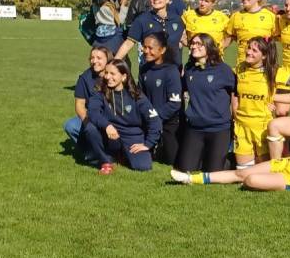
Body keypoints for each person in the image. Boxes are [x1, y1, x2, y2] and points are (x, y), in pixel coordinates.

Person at [171, 120, 290, 195]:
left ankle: (250, 182)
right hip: (289, 164)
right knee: (241, 173)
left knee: (251, 179)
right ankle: (190, 178)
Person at [84, 59, 162, 173]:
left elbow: (154, 120)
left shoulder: (136, 95)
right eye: (106, 73)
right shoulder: (99, 92)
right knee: (90, 128)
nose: (107, 77)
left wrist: (148, 143)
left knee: (143, 166)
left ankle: (122, 155)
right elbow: (92, 112)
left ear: (124, 76)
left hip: (131, 135)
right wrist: (107, 126)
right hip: (110, 133)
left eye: (112, 74)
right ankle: (106, 161)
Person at [175, 34, 237, 172]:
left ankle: (229, 159)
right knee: (185, 168)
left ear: (209, 47)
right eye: (192, 43)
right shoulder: (190, 68)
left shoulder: (224, 70)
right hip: (195, 128)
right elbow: (182, 88)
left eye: (199, 44)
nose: (193, 46)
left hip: (218, 128)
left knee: (214, 171)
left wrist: (235, 115)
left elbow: (236, 92)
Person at [233, 37, 279, 167]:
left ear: (264, 56)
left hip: (262, 127)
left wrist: (274, 99)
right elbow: (232, 90)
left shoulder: (273, 72)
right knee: (243, 173)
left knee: (262, 171)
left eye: (254, 50)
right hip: (241, 126)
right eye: (248, 48)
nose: (249, 52)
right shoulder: (239, 68)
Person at [139, 33, 183, 165]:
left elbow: (174, 104)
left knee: (171, 160)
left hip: (169, 122)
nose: (146, 51)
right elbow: (140, 96)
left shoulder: (171, 71)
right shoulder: (144, 69)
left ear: (162, 50)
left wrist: (155, 115)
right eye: (144, 47)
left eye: (150, 48)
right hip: (148, 121)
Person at [116, 0, 185, 65]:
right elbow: (128, 43)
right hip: (150, 70)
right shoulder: (142, 19)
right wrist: (114, 61)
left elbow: (185, 40)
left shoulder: (177, 20)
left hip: (173, 69)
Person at [64, 45, 113, 147]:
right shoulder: (84, 78)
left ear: (107, 59)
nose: (94, 61)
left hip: (113, 116)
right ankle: (90, 151)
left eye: (99, 58)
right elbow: (79, 105)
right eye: (92, 58)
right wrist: (87, 123)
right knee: (70, 125)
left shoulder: (115, 75)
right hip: (92, 116)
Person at [222, 0, 279, 64]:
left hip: (264, 68)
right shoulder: (235, 16)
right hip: (242, 67)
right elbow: (228, 39)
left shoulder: (270, 16)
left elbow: (278, 39)